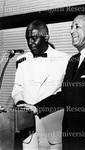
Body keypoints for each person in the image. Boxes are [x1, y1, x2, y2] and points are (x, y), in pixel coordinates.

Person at [19, 13, 85, 150]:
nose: (71, 31)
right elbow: (65, 96)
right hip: (70, 142)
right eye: (71, 27)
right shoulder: (73, 61)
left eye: (77, 27)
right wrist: (37, 107)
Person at [12, 20, 69, 150]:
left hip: (52, 129)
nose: (30, 42)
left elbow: (65, 94)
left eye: (34, 38)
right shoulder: (21, 61)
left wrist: (40, 108)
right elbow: (18, 87)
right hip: (27, 130)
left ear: (46, 37)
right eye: (28, 38)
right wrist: (20, 103)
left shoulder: (65, 60)